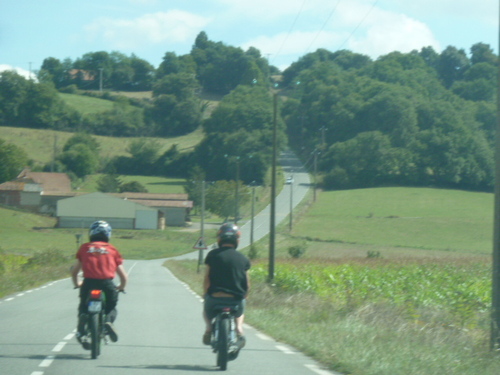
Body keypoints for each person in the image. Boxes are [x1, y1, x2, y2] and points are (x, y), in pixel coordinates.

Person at [71, 220, 128, 348]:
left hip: (88, 283)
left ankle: (82, 327)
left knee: (83, 307)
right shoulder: (112, 250)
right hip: (107, 284)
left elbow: (75, 272)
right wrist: (121, 287)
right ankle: (108, 322)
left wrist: (77, 284)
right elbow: (123, 276)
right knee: (111, 307)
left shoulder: (85, 248)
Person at [202, 223, 250, 348]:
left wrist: (206, 293)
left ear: (219, 239)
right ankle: (239, 329)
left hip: (215, 298)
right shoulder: (243, 259)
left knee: (206, 308)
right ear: (237, 240)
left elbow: (207, 277)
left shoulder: (212, 255)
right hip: (235, 300)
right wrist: (245, 295)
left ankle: (208, 329)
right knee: (241, 310)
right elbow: (247, 283)